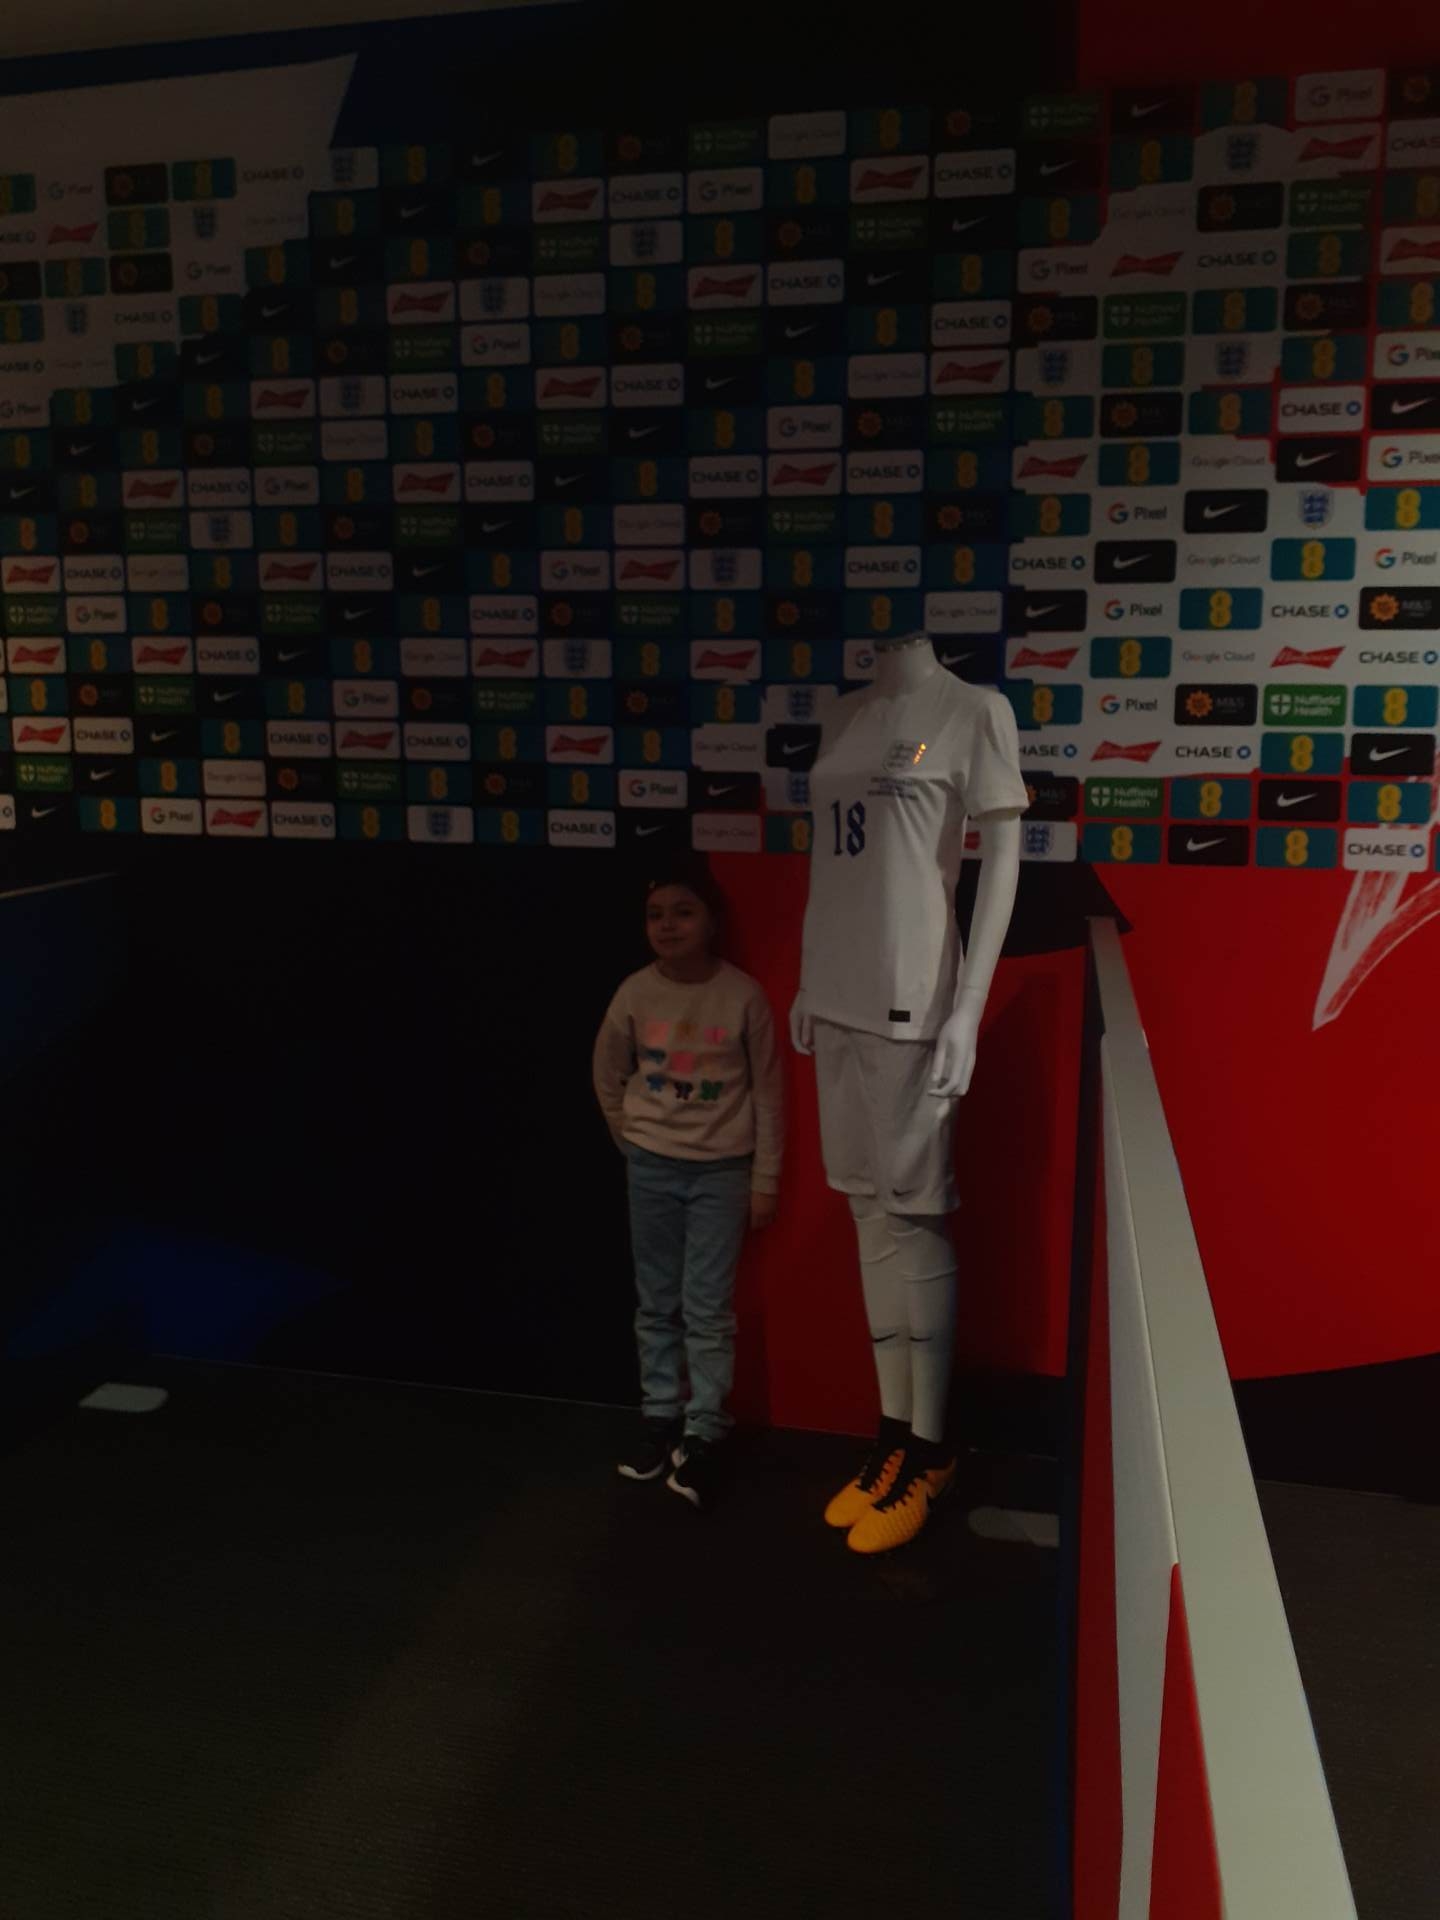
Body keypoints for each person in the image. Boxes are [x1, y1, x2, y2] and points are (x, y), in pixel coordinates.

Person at [593, 861, 783, 1510]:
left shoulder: (743, 996)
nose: (668, 925)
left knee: (707, 1308)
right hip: (651, 1167)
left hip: (722, 1174)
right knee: (655, 1302)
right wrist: (633, 1140)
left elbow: (770, 1095)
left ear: (712, 921)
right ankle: (660, 1420)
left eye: (683, 912)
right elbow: (606, 1073)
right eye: (655, 915)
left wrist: (765, 1180)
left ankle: (703, 1431)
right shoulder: (633, 993)